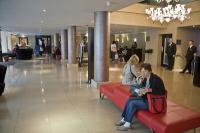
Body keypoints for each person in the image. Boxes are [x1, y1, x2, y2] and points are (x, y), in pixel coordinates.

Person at [116, 63, 166, 131]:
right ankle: (124, 119)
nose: (143, 73)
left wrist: (150, 90)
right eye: (142, 71)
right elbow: (143, 88)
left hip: (153, 102)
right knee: (130, 99)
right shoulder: (145, 79)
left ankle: (127, 124)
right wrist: (141, 92)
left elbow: (162, 92)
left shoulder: (157, 79)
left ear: (150, 71)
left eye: (144, 71)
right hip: (147, 99)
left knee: (133, 103)